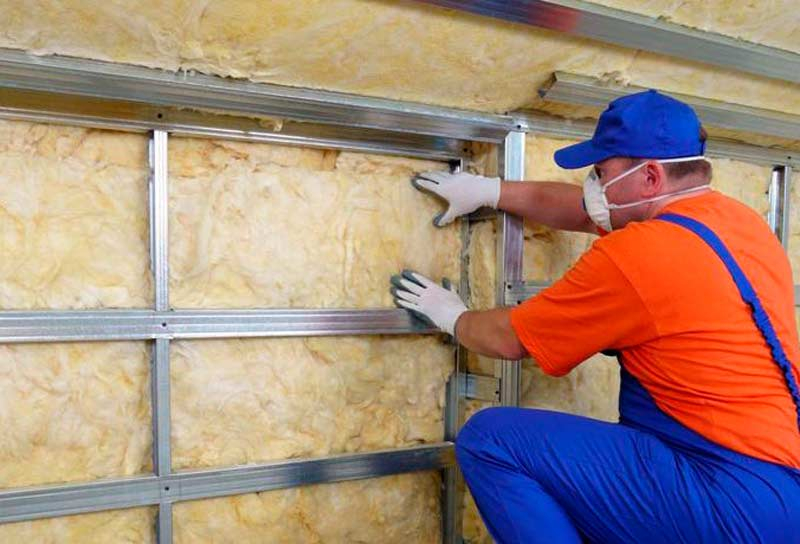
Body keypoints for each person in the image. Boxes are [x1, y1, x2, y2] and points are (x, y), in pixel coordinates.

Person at [390, 90, 800, 543]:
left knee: (491, 440)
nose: (592, 184)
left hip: (720, 495)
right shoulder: (737, 224)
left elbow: (511, 339)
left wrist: (453, 316)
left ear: (649, 176)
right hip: (780, 492)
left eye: (601, 172)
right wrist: (490, 192)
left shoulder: (638, 254)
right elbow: (588, 212)